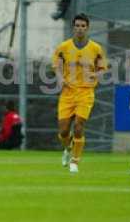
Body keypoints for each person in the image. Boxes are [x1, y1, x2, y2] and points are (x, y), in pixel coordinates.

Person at [52, 13, 108, 173]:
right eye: (77, 26)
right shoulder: (63, 47)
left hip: (85, 92)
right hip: (67, 93)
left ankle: (75, 161)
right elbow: (56, 66)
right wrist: (60, 78)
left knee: (78, 126)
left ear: (87, 28)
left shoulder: (96, 48)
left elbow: (103, 69)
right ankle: (68, 147)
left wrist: (95, 75)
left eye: (83, 26)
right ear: (73, 27)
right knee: (63, 131)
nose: (80, 29)